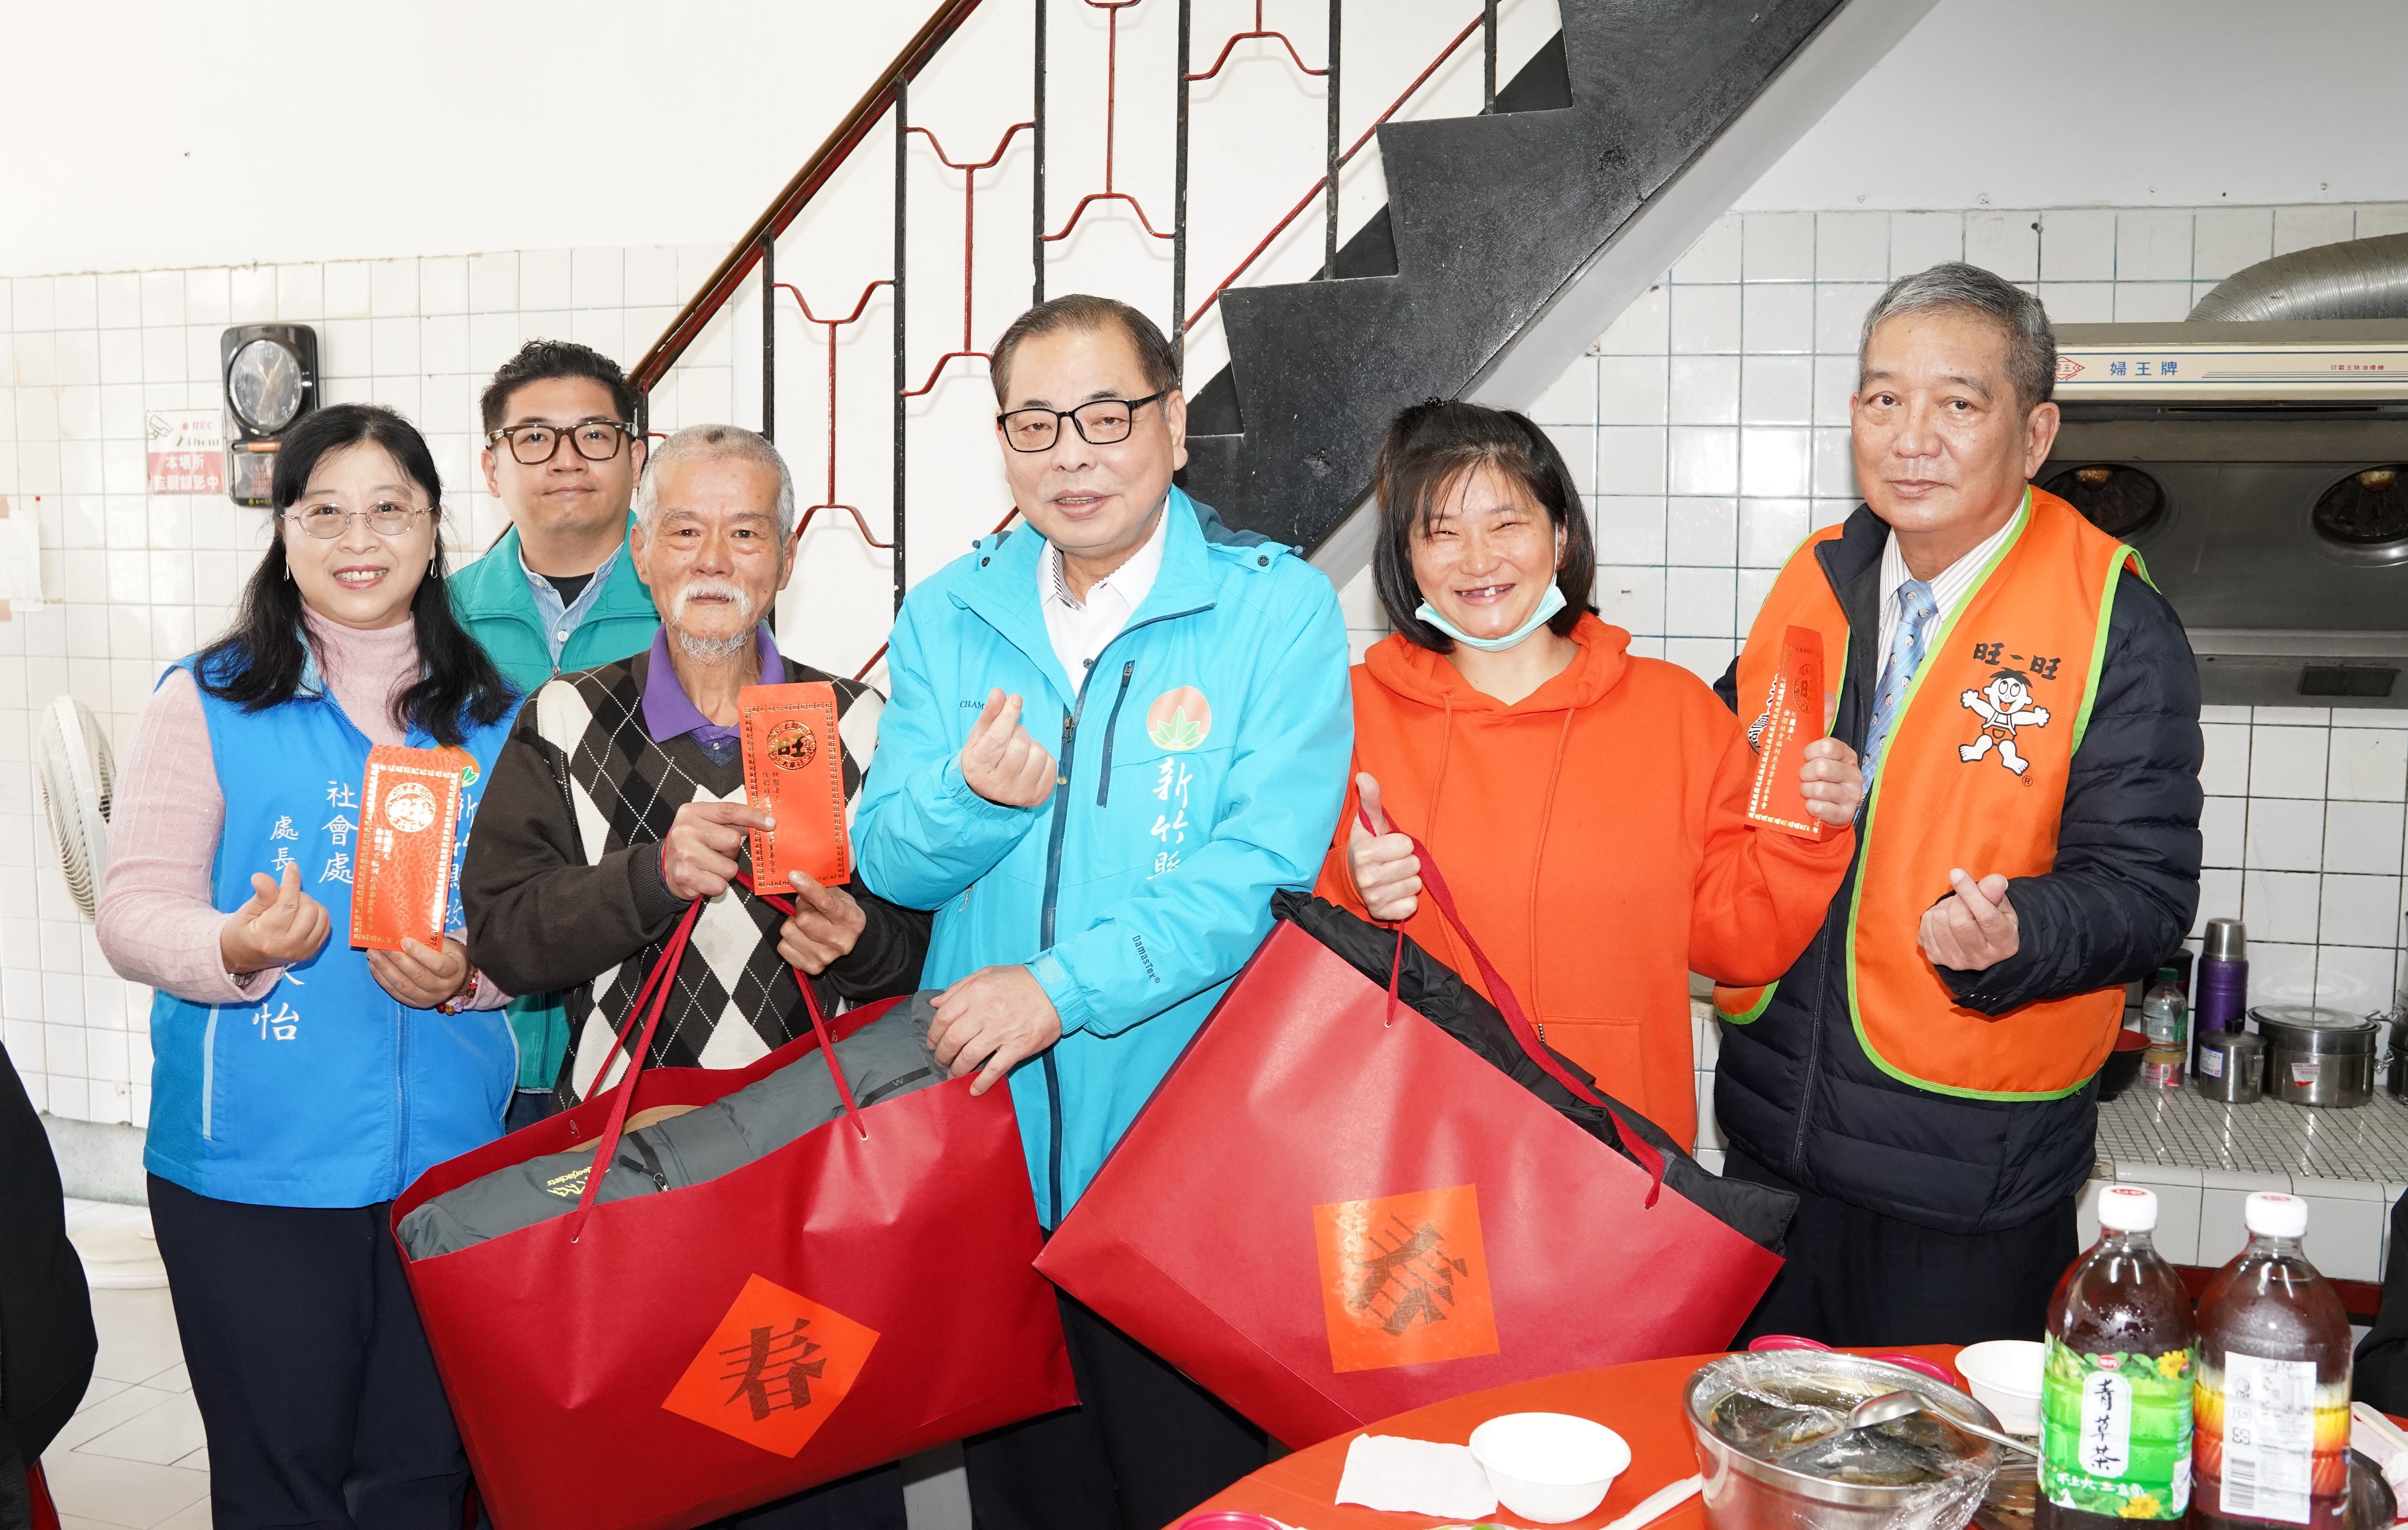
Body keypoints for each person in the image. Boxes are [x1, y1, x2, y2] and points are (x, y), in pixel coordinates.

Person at [850, 294, 1352, 1530]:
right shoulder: (949, 613)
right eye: (1034, 424)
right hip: (990, 1148)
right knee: (1028, 1498)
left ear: (1173, 425)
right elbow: (888, 859)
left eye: (1105, 416)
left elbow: (1261, 870)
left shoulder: (1272, 609)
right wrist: (971, 799)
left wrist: (1059, 989)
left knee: (1200, 1495)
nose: (1070, 455)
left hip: (1190, 1153)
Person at [1710, 263, 2203, 1346]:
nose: (1911, 438)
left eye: (1957, 404)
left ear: (2034, 436)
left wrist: (2019, 929)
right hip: (1771, 1153)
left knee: (1948, 1452)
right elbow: (1713, 763)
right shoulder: (1819, 574)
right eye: (1884, 399)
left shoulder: (2112, 619)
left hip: (1967, 1176)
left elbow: (2144, 892)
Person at [460, 423, 929, 1530]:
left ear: (786, 556)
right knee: (650, 1465)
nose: (713, 559)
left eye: (745, 533)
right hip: (627, 1171)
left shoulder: (858, 724)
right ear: (641, 551)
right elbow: (506, 938)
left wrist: (856, 940)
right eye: (683, 531)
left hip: (816, 1173)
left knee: (820, 1462)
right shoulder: (565, 718)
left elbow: (919, 950)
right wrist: (651, 876)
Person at [96, 403, 522, 1529]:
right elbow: (131, 912)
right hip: (255, 1171)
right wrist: (233, 946)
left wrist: (469, 976)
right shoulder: (208, 697)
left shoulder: (495, 716)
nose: (359, 539)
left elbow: (529, 925)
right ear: (283, 531)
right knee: (280, 1481)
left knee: (422, 1476)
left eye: (390, 509)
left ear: (434, 530)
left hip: (451, 1166)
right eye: (324, 512)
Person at [1319, 399, 1862, 1146]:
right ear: (1405, 558)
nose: (1477, 560)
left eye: (1506, 524)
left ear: (1561, 535)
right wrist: (1351, 884)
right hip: (1411, 1139)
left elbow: (1738, 943)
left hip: (1617, 1147)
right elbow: (1289, 939)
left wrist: (1811, 826)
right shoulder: (1345, 716)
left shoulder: (1674, 711)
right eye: (1441, 533)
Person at [449, 340, 660, 1129]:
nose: (566, 458)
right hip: (467, 1031)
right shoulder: (438, 623)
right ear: (492, 467)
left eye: (595, 435)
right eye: (534, 437)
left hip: (643, 1033)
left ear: (636, 456)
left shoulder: (693, 618)